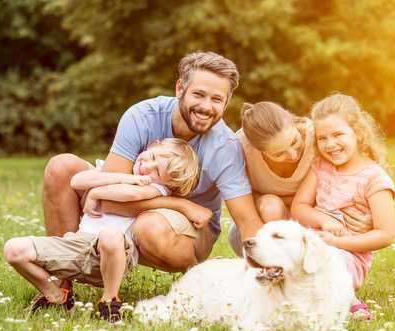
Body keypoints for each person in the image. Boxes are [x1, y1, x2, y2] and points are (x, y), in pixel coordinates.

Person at [41, 51, 263, 277]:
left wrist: (264, 270)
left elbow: (247, 220)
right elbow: (107, 199)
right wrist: (181, 204)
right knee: (61, 167)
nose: (206, 106)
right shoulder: (143, 116)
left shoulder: (225, 146)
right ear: (179, 89)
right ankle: (61, 282)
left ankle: (196, 282)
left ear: (226, 103)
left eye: (217, 99)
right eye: (198, 94)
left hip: (184, 230)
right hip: (135, 208)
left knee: (149, 226)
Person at [4, 139, 199, 322]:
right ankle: (55, 294)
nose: (147, 167)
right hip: (78, 245)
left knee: (110, 234)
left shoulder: (156, 188)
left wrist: (97, 191)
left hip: (114, 252)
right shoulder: (120, 172)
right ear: (151, 145)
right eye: (153, 157)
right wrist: (123, 177)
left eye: (156, 171)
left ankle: (110, 300)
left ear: (166, 183)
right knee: (13, 250)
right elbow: (76, 181)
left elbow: (130, 194)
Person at [291, 93, 395, 321]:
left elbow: (386, 234)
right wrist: (324, 220)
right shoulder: (320, 167)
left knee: (328, 259)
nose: (330, 145)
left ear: (358, 134)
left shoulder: (374, 179)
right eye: (322, 138)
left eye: (338, 134)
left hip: (348, 257)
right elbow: (298, 208)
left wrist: (336, 242)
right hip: (316, 242)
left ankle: (348, 302)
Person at [228, 101, 373, 255]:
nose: (293, 155)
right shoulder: (240, 147)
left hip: (312, 221)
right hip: (257, 228)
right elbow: (237, 201)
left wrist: (370, 215)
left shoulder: (318, 135)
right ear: (257, 149)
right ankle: (277, 261)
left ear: (293, 122)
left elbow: (362, 171)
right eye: (278, 154)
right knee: (271, 206)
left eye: (294, 142)